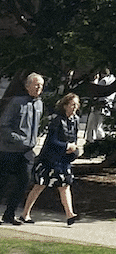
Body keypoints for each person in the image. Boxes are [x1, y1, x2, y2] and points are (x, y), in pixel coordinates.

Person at [19, 92, 82, 225]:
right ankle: (25, 214)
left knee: (65, 186)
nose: (75, 107)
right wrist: (66, 146)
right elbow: (51, 141)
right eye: (72, 104)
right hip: (49, 159)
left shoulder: (75, 120)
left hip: (63, 160)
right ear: (65, 105)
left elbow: (74, 138)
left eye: (77, 105)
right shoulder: (57, 120)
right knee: (39, 185)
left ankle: (70, 214)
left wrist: (75, 149)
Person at [1, 73, 45, 225]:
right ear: (27, 86)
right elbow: (4, 125)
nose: (39, 88)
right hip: (9, 150)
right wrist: (19, 139)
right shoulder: (16, 102)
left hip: (27, 152)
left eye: (41, 85)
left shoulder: (39, 104)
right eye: (36, 85)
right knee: (3, 183)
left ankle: (10, 214)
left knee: (24, 182)